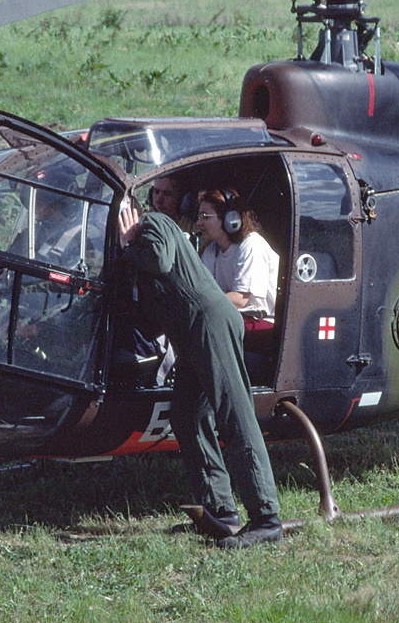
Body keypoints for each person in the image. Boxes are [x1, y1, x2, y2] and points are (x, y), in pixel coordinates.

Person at [118, 198, 283, 549]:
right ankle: (220, 511)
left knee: (234, 414)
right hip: (191, 335)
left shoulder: (154, 225)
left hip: (210, 325)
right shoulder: (141, 243)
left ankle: (266, 517)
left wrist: (129, 245)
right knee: (187, 415)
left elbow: (160, 261)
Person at [194, 188, 279, 330]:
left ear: (230, 218)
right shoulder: (212, 250)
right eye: (199, 216)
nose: (199, 222)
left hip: (261, 322)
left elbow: (240, 299)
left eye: (205, 217)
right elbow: (201, 288)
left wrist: (200, 302)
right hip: (231, 318)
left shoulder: (251, 245)